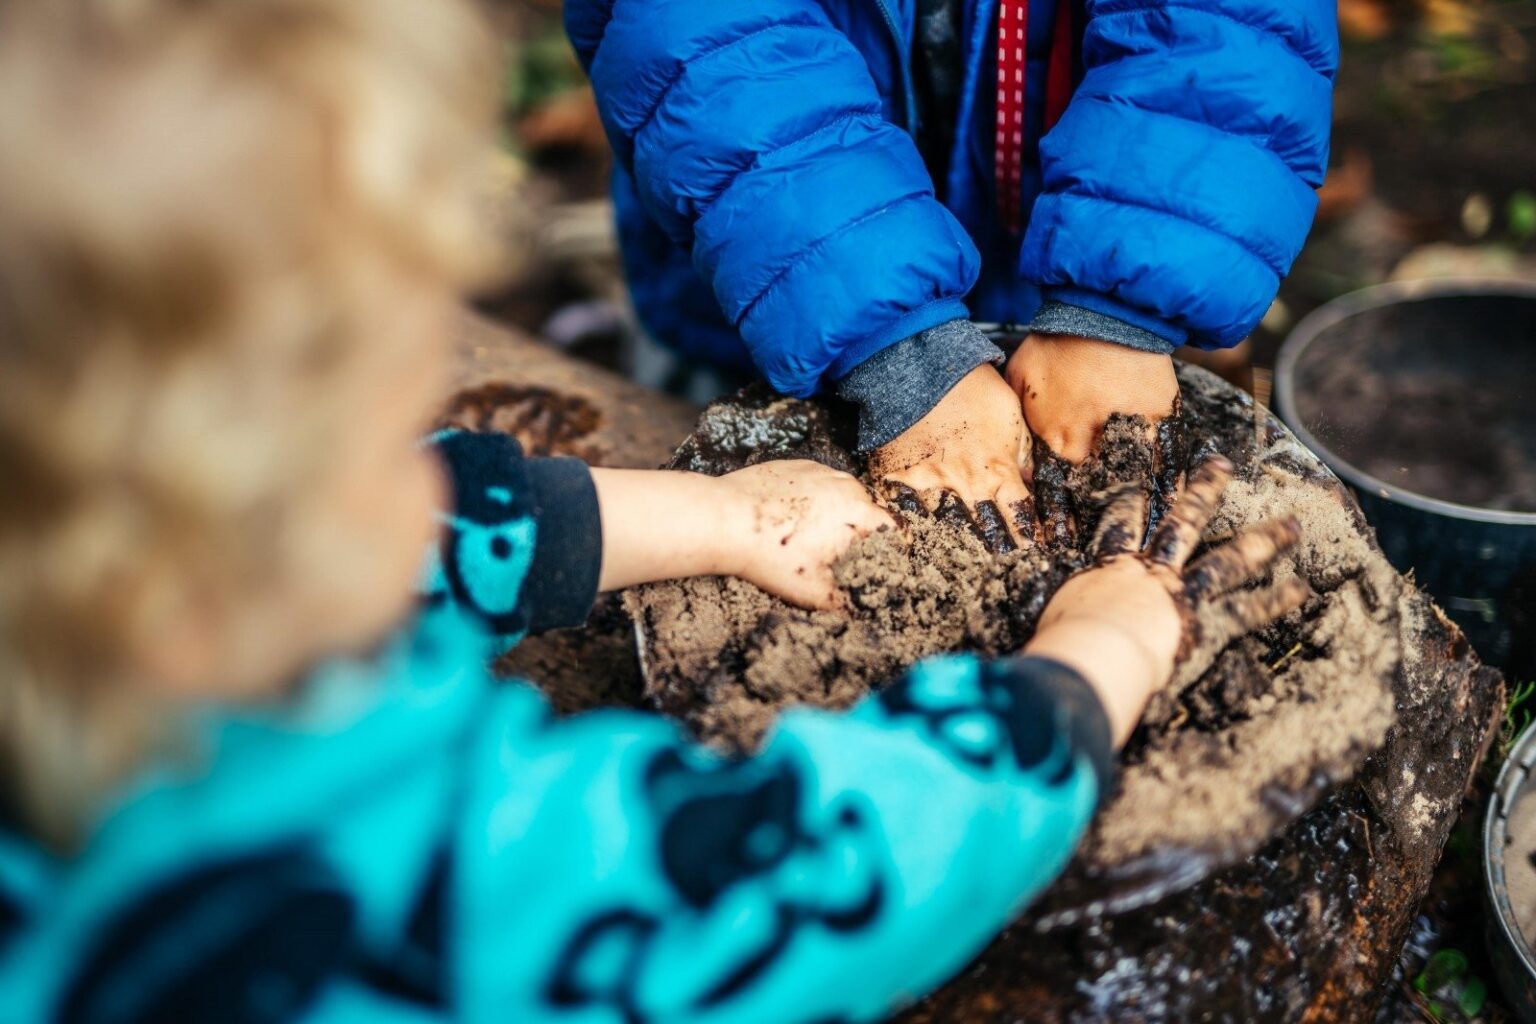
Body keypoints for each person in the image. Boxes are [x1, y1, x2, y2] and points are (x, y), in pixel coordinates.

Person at [0, 1, 1307, 1020]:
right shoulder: (386, 874)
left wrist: (714, 521)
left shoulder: (84, 587)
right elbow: (801, 879)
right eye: (382, 425)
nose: (420, 457)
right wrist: (1090, 664)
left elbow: (402, 530)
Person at [566, 0, 1336, 535]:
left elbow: (1233, 39)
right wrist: (903, 356)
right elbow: (706, 51)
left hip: (1052, 233)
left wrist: (1116, 310)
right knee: (716, 411)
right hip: (770, 255)